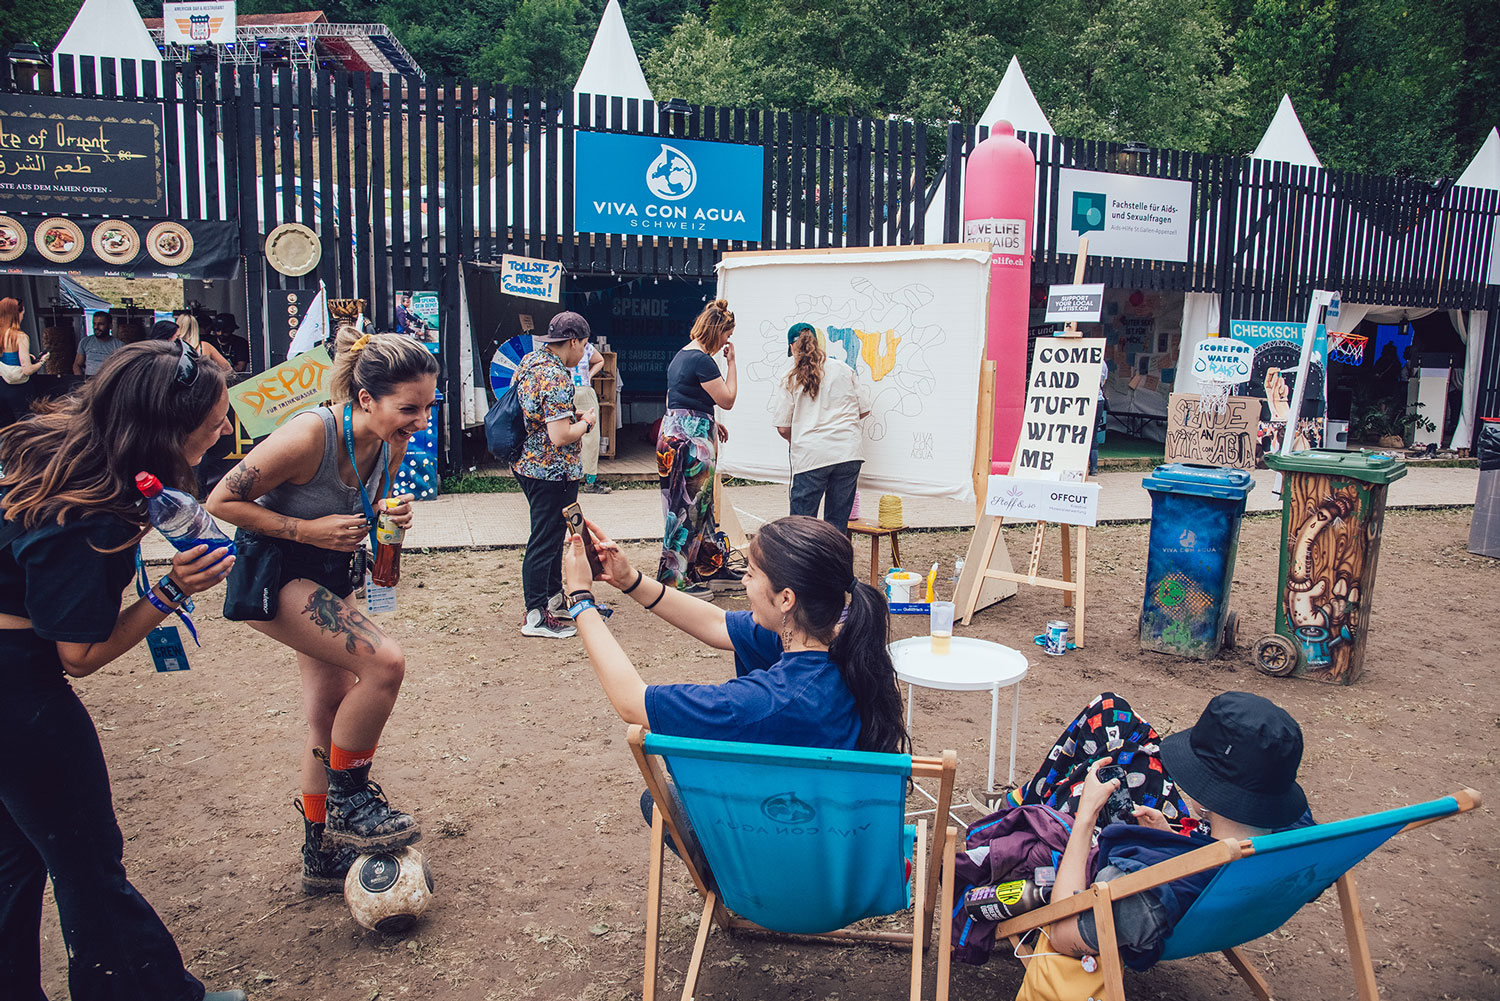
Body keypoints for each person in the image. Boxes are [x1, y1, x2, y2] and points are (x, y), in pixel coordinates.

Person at [0, 340, 245, 1001]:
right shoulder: (87, 511)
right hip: (16, 689)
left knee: (17, 855)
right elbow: (78, 655)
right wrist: (171, 591)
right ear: (166, 432)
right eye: (215, 421)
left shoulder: (55, 447)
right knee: (86, 854)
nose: (225, 428)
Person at [205, 327, 438, 894]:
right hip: (276, 573)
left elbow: (364, 502)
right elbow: (221, 500)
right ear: (366, 399)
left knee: (327, 716)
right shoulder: (309, 434)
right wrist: (304, 529)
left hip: (332, 574)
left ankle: (321, 852)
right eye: (410, 408)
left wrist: (389, 514)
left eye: (429, 407)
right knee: (384, 663)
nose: (421, 421)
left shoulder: (390, 441)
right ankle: (350, 802)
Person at [561, 513, 908, 826]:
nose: (743, 581)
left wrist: (580, 600)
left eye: (751, 574)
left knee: (659, 801)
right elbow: (717, 624)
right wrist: (629, 580)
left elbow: (632, 702)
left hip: (779, 842)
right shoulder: (845, 647)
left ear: (786, 599)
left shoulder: (762, 702)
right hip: (841, 839)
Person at [970, 692, 1311, 975]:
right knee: (1111, 714)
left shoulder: (1147, 889)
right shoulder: (1301, 844)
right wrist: (1171, 834)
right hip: (1199, 848)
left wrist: (1086, 816)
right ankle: (1026, 797)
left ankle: (1024, 806)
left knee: (1084, 785)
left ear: (1210, 792)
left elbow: (1063, 934)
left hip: (1127, 876)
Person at [511, 311, 597, 639]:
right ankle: (535, 615)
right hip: (552, 470)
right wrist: (586, 423)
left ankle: (552, 600)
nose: (584, 353)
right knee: (545, 539)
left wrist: (570, 414)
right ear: (573, 341)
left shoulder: (532, 362)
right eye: (584, 346)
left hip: (529, 464)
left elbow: (538, 413)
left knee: (550, 535)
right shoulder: (557, 376)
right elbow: (560, 436)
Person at [659, 299, 740, 598]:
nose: (727, 342)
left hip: (676, 431)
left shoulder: (681, 356)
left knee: (698, 508)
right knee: (688, 508)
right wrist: (732, 363)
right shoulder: (703, 360)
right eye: (727, 335)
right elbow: (727, 399)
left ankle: (707, 566)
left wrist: (707, 420)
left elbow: (675, 398)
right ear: (717, 331)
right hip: (692, 441)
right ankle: (674, 578)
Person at [771, 322, 871, 532]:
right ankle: (834, 555)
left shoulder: (790, 377)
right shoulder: (843, 369)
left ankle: (802, 556)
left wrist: (796, 439)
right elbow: (863, 410)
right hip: (847, 453)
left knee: (802, 526)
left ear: (792, 347)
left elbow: (782, 427)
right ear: (817, 343)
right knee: (837, 525)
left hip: (811, 455)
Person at [0, 298, 49, 426]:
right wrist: (42, 362)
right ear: (17, 314)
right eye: (22, 313)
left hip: (2, 385)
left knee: (4, 427)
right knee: (25, 425)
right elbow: (27, 370)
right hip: (19, 389)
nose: (23, 316)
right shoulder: (20, 336)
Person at [572, 337, 611, 495]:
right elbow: (600, 360)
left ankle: (587, 480)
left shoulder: (584, 346)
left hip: (576, 389)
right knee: (583, 436)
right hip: (575, 390)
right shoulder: (580, 345)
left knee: (588, 437)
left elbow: (600, 360)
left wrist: (588, 375)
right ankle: (584, 480)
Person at [73, 309, 121, 377]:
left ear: (110, 326)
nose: (96, 327)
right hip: (89, 381)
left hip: (107, 380)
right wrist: (81, 380)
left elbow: (121, 369)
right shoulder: (85, 342)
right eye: (94, 323)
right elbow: (77, 365)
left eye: (100, 324)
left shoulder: (119, 346)